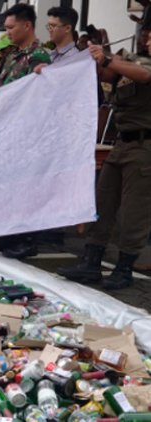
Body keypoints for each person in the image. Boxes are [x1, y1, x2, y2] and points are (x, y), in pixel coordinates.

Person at [58, 27, 151, 290]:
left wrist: (108, 57)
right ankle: (91, 261)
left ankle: (124, 268)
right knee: (102, 202)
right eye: (149, 35)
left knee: (135, 211)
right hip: (122, 144)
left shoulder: (138, 65)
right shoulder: (131, 60)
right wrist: (95, 56)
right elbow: (109, 75)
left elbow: (143, 76)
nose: (149, 40)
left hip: (145, 148)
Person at [0, 3, 51, 259]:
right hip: (7, 130)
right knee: (6, 182)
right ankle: (8, 231)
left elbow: (42, 94)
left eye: (11, 27)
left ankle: (27, 237)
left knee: (24, 184)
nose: (7, 32)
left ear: (27, 25)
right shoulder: (12, 56)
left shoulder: (39, 57)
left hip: (28, 131)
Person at [35, 6, 79, 74]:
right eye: (49, 26)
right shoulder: (52, 55)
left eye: (53, 26)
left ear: (67, 28)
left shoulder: (75, 58)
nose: (49, 30)